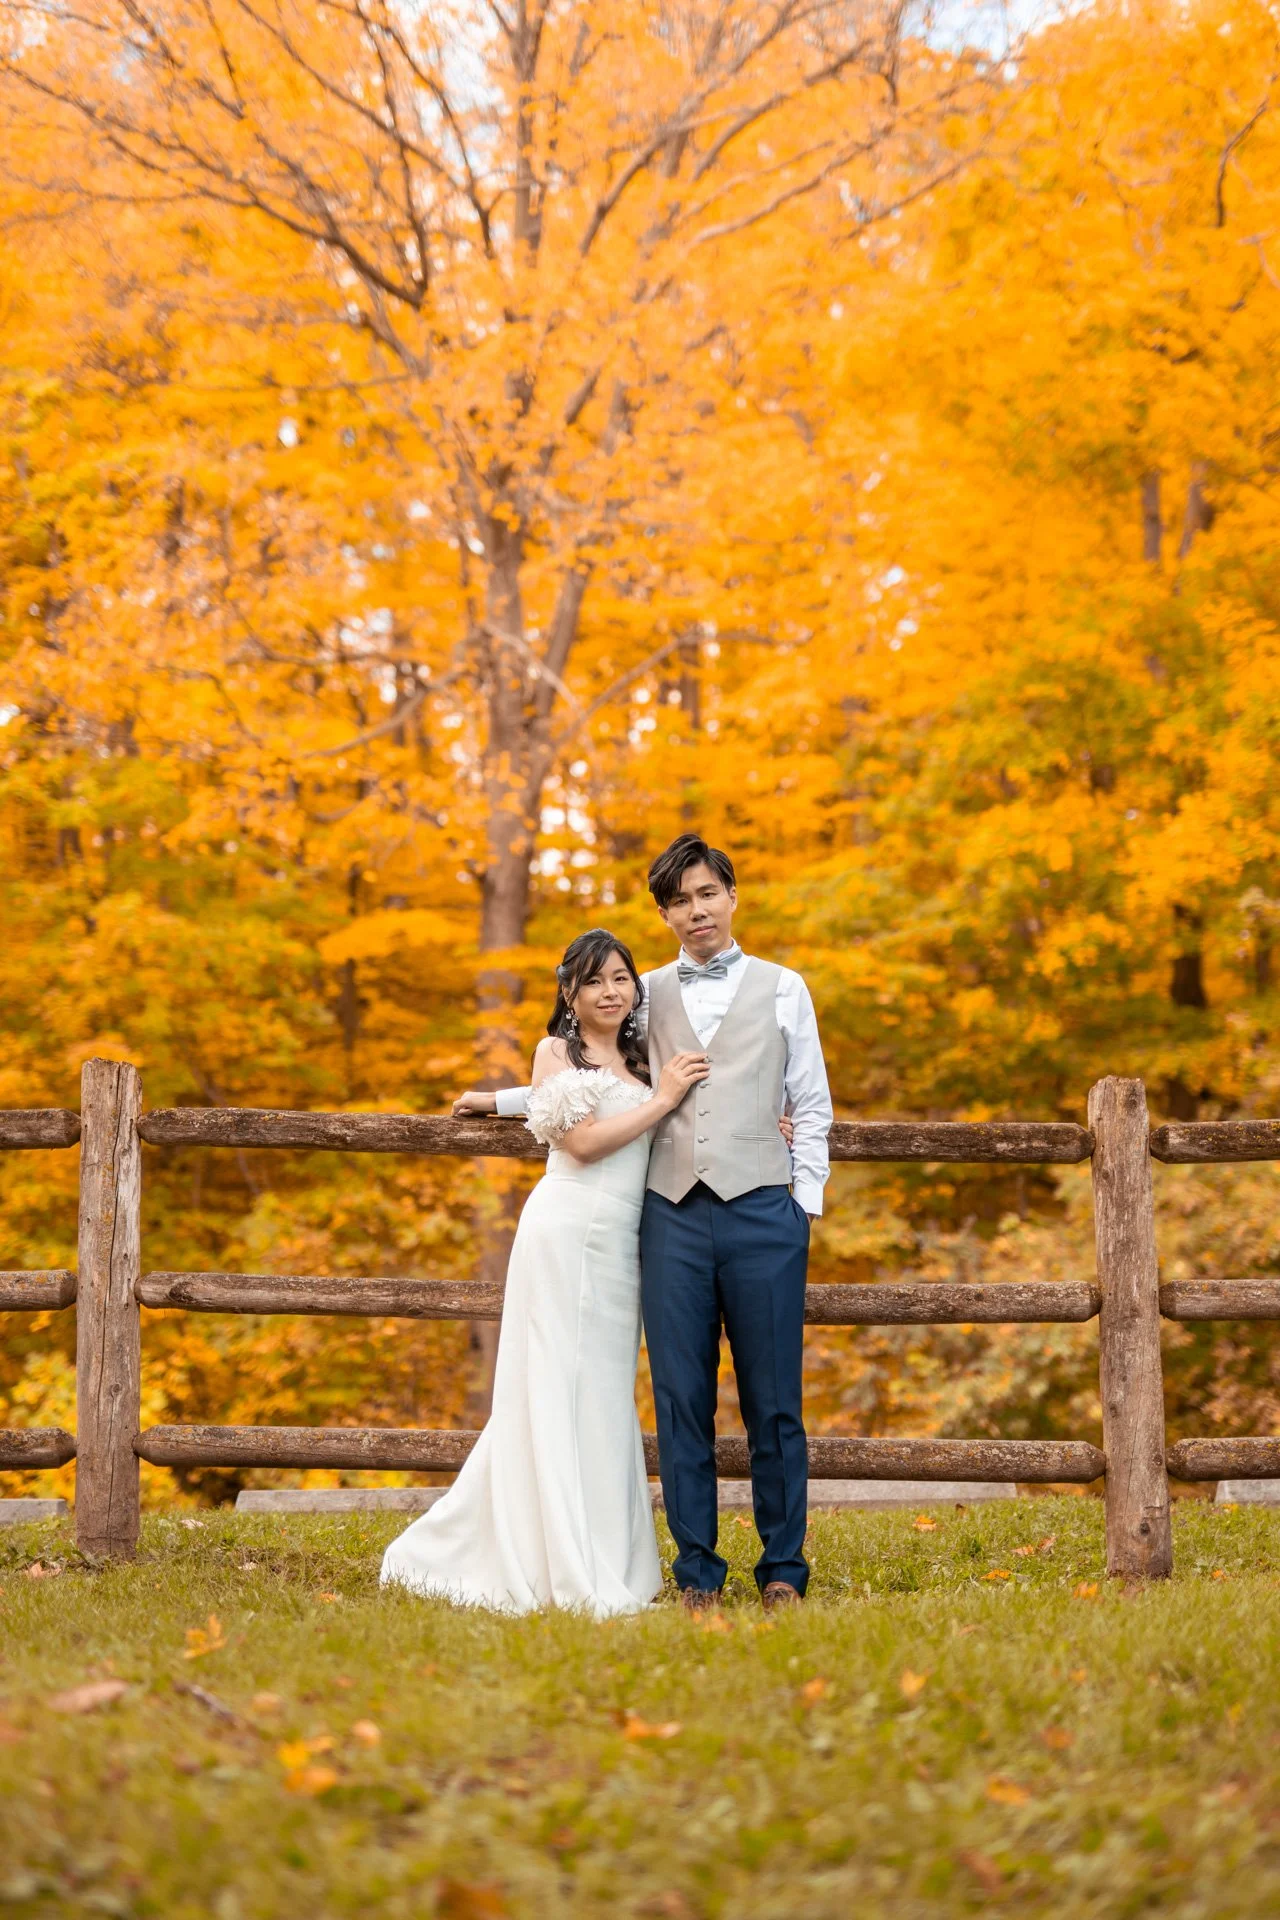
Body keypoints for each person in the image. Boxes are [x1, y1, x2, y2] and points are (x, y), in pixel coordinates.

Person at [454, 832, 833, 1612]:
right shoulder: (644, 992)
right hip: (669, 1219)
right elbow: (596, 1076)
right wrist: (499, 1100)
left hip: (765, 1213)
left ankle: (784, 1570)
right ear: (664, 914)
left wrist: (803, 1205)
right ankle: (697, 1572)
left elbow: (812, 1106)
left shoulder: (786, 988)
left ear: (732, 898)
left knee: (774, 1401)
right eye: (680, 901)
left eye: (707, 894)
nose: (697, 911)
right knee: (680, 1398)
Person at [381, 928, 767, 1616]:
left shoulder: (642, 1055)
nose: (611, 991)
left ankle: (607, 1552)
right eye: (594, 981)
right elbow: (583, 1138)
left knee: (603, 1393)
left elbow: (595, 1097)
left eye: (621, 978)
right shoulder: (556, 1049)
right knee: (552, 1386)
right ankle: (548, 1553)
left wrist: (496, 1100)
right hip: (564, 1231)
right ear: (570, 993)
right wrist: (662, 1101)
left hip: (622, 1245)